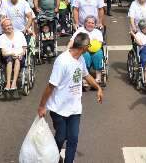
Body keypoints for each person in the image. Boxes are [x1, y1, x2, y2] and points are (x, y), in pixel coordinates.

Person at [37, 32, 103, 163]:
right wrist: (42, 105)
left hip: (74, 108)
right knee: (61, 137)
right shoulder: (62, 61)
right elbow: (51, 86)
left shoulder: (81, 59)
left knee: (73, 138)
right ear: (84, 47)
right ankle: (54, 157)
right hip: (58, 108)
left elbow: (86, 75)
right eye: (89, 45)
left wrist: (98, 88)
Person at [68, 16, 105, 85]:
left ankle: (98, 76)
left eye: (92, 23)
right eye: (88, 22)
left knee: (99, 53)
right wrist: (67, 50)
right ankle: (85, 76)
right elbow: (72, 40)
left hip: (95, 50)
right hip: (83, 50)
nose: (90, 24)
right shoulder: (80, 30)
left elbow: (100, 43)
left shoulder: (98, 32)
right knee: (85, 55)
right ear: (85, 23)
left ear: (95, 25)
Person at [0, 18, 28, 94]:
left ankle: (14, 83)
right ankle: (8, 83)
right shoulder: (1, 38)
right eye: (7, 26)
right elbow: (3, 53)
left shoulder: (19, 34)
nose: (9, 27)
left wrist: (21, 54)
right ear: (3, 28)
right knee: (10, 60)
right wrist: (11, 54)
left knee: (17, 59)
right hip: (7, 57)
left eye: (10, 25)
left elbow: (24, 47)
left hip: (19, 56)